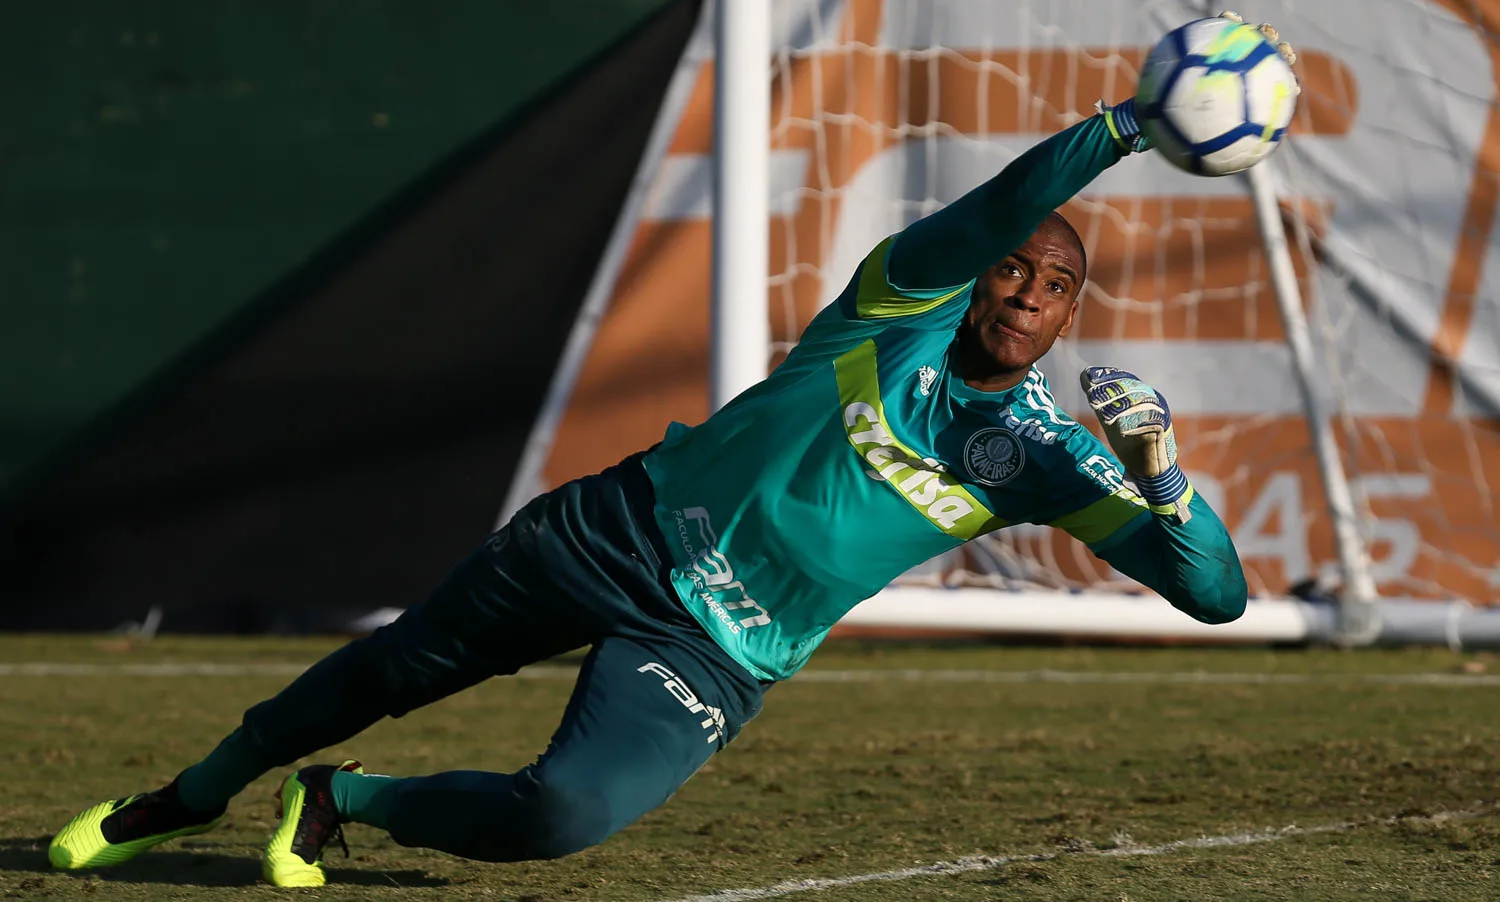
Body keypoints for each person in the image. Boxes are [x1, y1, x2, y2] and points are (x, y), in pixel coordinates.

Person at [50, 13, 1289, 887]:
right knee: (394, 666)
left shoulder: (1053, 459)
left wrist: (1163, 475)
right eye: (1013, 265)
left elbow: (1217, 595)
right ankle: (190, 793)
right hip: (616, 530)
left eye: (1054, 283)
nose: (1024, 286)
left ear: (1072, 313)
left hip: (716, 643)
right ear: (978, 279)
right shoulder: (898, 305)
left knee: (563, 816)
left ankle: (343, 799)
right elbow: (1003, 203)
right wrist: (1127, 123)